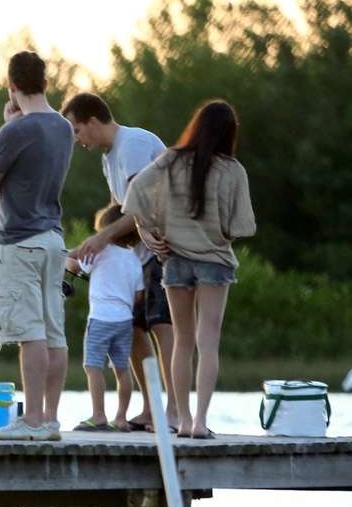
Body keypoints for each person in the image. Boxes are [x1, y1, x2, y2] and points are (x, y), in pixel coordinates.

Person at [123, 100, 255, 439]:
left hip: (175, 260)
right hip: (214, 261)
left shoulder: (170, 160)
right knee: (208, 343)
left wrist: (147, 230)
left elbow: (135, 191)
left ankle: (181, 421)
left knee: (182, 341)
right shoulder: (232, 170)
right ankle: (200, 422)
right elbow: (242, 226)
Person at [61, 91, 178, 432]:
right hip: (137, 255)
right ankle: (149, 407)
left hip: (165, 248)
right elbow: (119, 214)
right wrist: (99, 249)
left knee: (161, 327)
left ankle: (173, 410)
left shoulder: (134, 144)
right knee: (133, 328)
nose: (76, 140)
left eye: (77, 131)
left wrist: (100, 239)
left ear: (93, 121)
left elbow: (140, 208)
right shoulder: (108, 158)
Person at [0, 51, 75, 441]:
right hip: (54, 240)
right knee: (54, 332)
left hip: (20, 241)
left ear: (11, 86)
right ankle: (49, 418)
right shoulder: (65, 127)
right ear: (46, 83)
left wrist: (7, 126)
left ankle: (31, 420)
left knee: (29, 333)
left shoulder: (15, 131)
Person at [65, 205, 140, 431]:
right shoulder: (135, 259)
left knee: (93, 367)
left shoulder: (99, 252)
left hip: (100, 319)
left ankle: (98, 415)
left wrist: (72, 252)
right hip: (125, 321)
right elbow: (139, 296)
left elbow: (73, 265)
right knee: (121, 368)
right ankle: (121, 418)